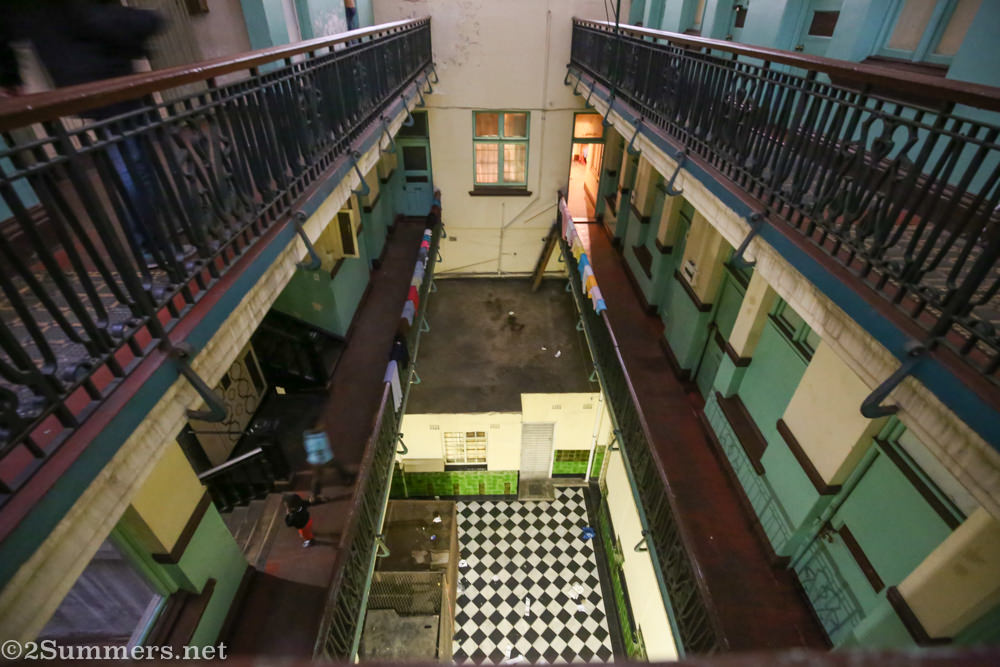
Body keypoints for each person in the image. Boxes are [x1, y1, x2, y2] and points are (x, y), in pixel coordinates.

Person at [1, 1, 171, 266]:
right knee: (132, 164)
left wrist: (9, 75)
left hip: (83, 79)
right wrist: (150, 20)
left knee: (133, 161)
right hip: (105, 79)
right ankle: (149, 246)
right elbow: (98, 19)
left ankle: (154, 239)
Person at [303, 422, 354, 504]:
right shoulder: (315, 438)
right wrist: (321, 459)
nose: (322, 425)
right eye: (319, 425)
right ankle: (314, 496)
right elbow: (317, 449)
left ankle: (346, 477)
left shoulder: (310, 436)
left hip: (321, 459)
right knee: (318, 478)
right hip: (320, 461)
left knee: (335, 466)